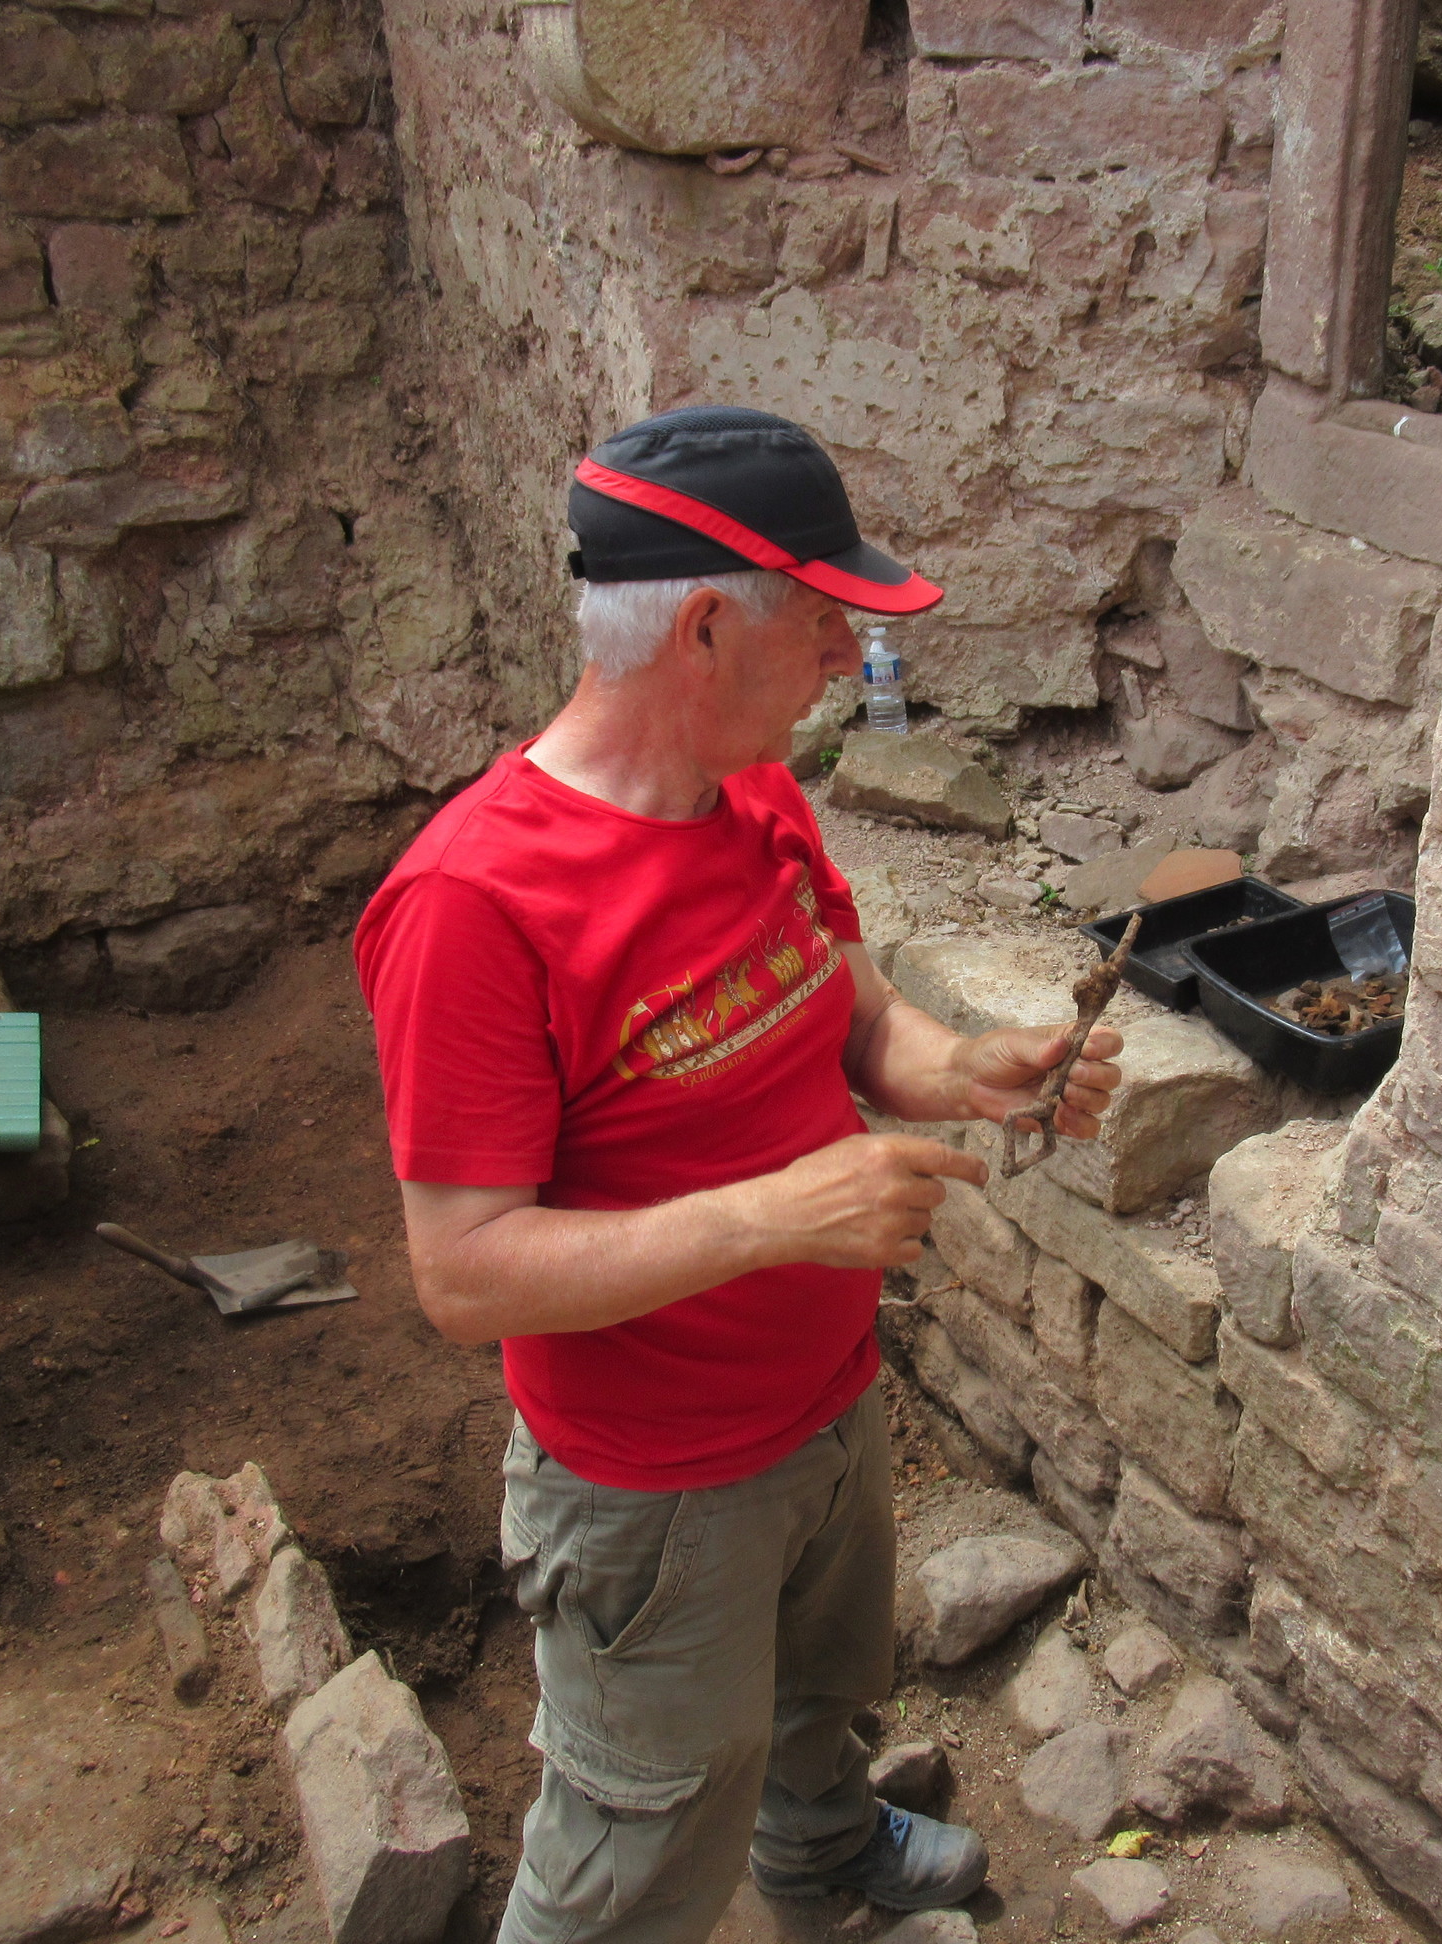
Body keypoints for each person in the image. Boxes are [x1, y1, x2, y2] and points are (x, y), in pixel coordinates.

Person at [353, 405, 1125, 1944]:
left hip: (824, 1403)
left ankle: (822, 1854)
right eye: (820, 618)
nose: (849, 654)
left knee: (816, 1694)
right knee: (636, 1837)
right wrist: (779, 1216)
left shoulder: (752, 789)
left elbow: (860, 1018)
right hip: (652, 1490)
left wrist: (968, 1068)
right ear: (702, 627)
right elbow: (464, 1273)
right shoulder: (474, 906)